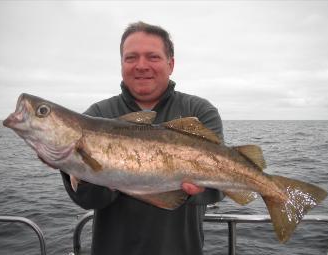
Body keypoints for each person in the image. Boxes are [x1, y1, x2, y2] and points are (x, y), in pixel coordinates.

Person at [61, 21, 224, 255]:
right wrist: (70, 161)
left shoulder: (199, 111)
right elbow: (88, 200)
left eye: (153, 57)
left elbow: (215, 191)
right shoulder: (96, 116)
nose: (141, 65)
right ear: (121, 65)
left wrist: (193, 190)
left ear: (171, 64)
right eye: (131, 58)